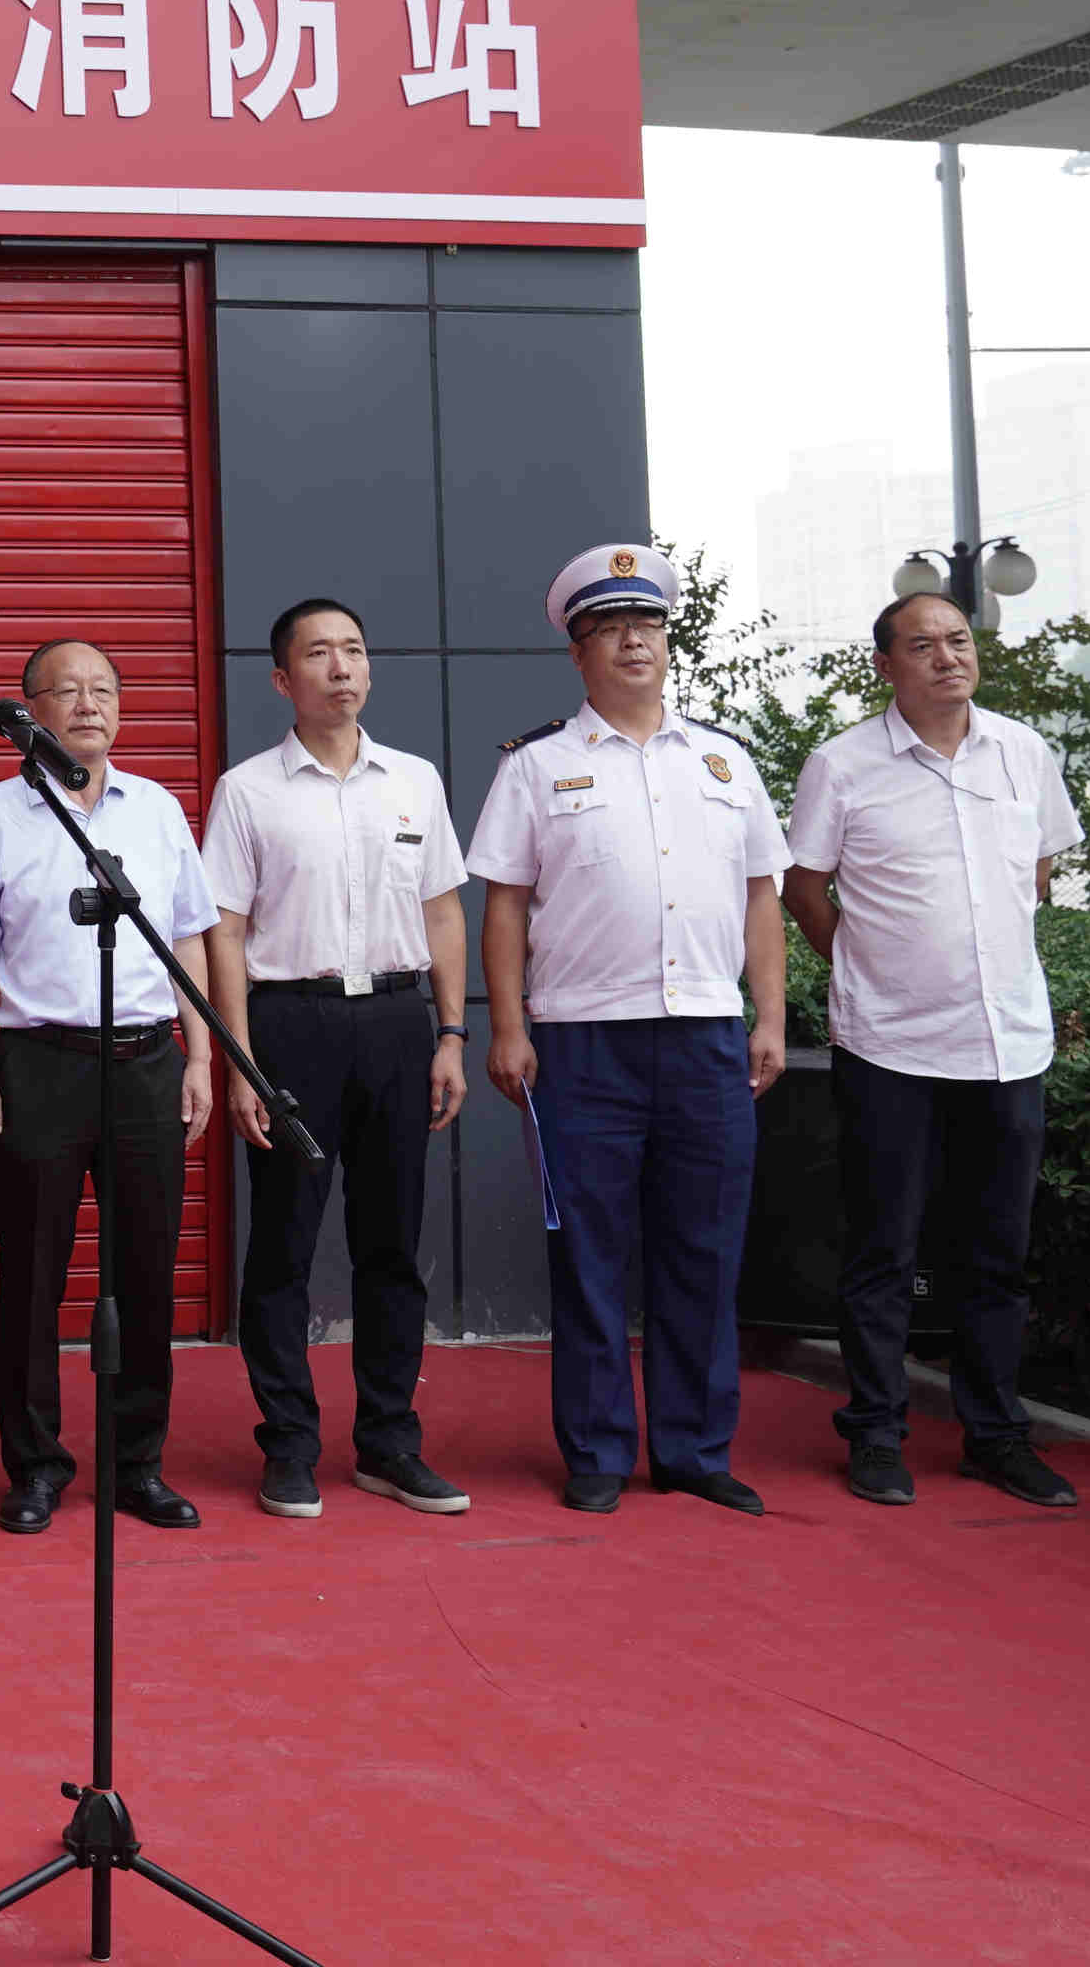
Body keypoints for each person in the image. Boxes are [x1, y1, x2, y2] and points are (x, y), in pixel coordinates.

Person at [467, 544, 789, 1517]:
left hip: (705, 1038)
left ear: (666, 638)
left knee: (704, 1246)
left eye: (646, 624)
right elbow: (506, 908)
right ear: (579, 652)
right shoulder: (538, 767)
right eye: (609, 627)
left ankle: (695, 1447)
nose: (633, 640)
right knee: (592, 1250)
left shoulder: (726, 759)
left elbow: (762, 898)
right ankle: (600, 1448)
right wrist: (508, 1028)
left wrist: (769, 1015)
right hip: (579, 1044)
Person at [785, 592, 1083, 1511]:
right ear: (886, 665)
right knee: (883, 1250)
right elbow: (803, 885)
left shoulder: (1022, 752)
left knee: (996, 1253)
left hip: (1007, 1044)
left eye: (958, 641)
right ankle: (875, 1434)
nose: (948, 658)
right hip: (891, 1046)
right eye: (923, 646)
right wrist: (862, 964)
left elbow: (1039, 870)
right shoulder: (842, 766)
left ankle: (997, 1435)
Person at [0, 637, 224, 1536]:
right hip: (41, 1066)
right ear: (32, 714)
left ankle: (137, 1464)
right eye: (65, 691)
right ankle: (34, 1465)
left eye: (103, 688)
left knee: (145, 1272)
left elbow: (188, 936)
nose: (88, 704)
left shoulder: (159, 810)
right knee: (32, 1274)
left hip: (146, 1063)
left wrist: (204, 1055)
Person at [199, 599, 475, 1522]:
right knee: (282, 1246)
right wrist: (239, 1063)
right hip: (291, 1029)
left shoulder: (416, 783)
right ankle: (288, 1448)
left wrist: (449, 1035)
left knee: (391, 1246)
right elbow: (225, 933)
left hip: (399, 1024)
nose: (341, 667)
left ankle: (390, 1444)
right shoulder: (248, 791)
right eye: (319, 654)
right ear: (284, 679)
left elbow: (442, 913)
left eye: (355, 650)